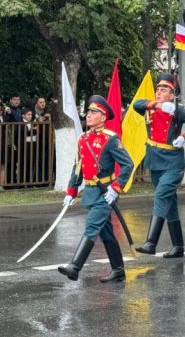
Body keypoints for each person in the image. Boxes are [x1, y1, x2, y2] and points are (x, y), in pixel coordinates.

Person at [57, 95, 134, 282]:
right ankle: (118, 270)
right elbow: (78, 167)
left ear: (103, 117)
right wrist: (71, 190)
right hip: (91, 191)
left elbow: (128, 165)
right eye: (89, 112)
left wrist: (116, 188)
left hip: (106, 192)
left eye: (94, 112)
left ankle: (75, 266)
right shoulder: (83, 138)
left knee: (92, 225)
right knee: (105, 231)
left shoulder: (111, 139)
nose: (89, 115)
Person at [131, 74, 185, 257]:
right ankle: (178, 247)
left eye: (164, 90)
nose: (159, 92)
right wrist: (157, 104)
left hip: (172, 163)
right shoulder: (149, 107)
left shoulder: (178, 111)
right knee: (170, 203)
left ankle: (151, 242)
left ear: (172, 94)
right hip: (155, 161)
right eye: (158, 90)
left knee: (161, 196)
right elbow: (135, 105)